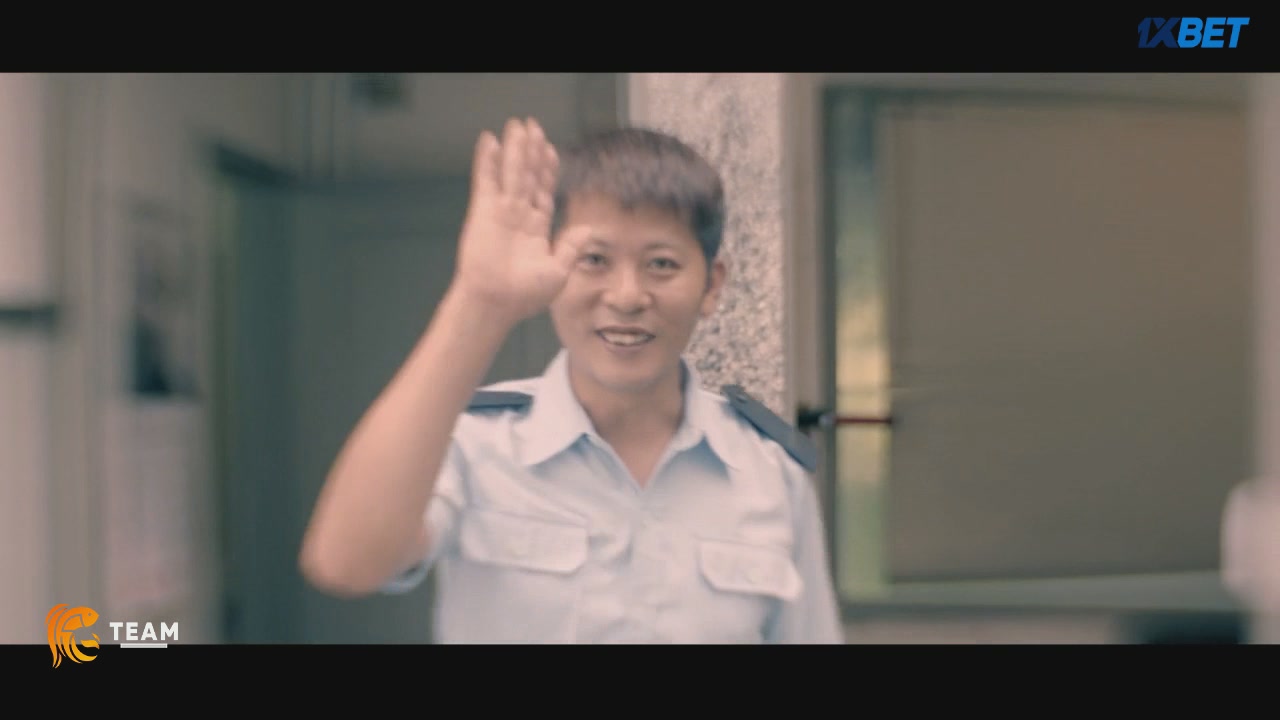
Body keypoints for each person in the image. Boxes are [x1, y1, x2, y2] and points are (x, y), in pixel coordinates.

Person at [298, 117, 844, 644]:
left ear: (712, 285)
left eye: (661, 264)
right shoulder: (475, 445)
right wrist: (480, 300)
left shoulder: (770, 474)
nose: (627, 296)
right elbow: (346, 563)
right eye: (594, 259)